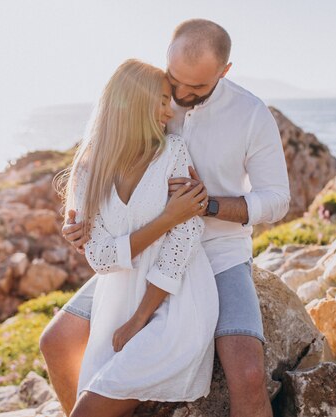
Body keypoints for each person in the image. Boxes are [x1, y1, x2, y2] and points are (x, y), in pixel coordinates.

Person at [41, 19, 290, 417]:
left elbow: (277, 200)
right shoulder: (152, 99)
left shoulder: (251, 114)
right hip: (143, 249)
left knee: (247, 374)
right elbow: (105, 157)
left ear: (224, 72)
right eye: (175, 82)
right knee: (56, 341)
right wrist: (79, 218)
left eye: (197, 89)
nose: (179, 97)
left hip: (220, 252)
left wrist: (205, 204)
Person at [56, 58, 219, 417]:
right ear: (133, 103)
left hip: (175, 299)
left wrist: (139, 319)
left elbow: (185, 236)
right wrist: (166, 218)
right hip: (115, 303)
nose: (168, 110)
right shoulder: (89, 168)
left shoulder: (172, 152)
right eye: (161, 100)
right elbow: (98, 258)